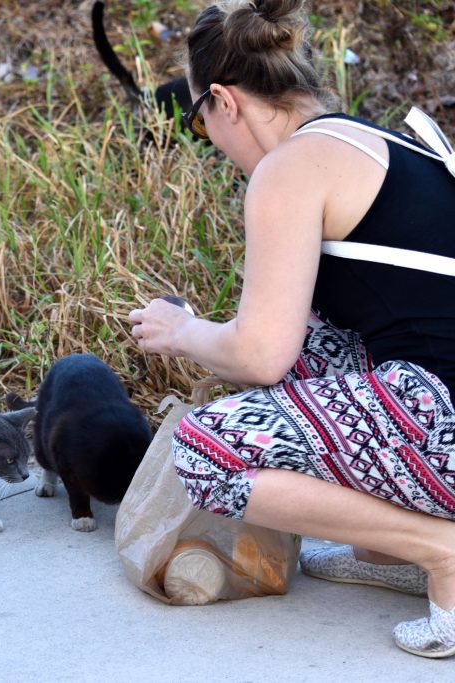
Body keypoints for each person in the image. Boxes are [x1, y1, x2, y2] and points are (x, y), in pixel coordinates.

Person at [127, 0, 455, 658]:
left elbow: (258, 354)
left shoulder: (290, 169)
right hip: (439, 402)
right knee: (311, 334)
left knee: (205, 452)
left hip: (442, 415)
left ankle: (442, 553)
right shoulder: (369, 140)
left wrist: (180, 330)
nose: (209, 141)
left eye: (197, 121)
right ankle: (389, 546)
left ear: (224, 100)